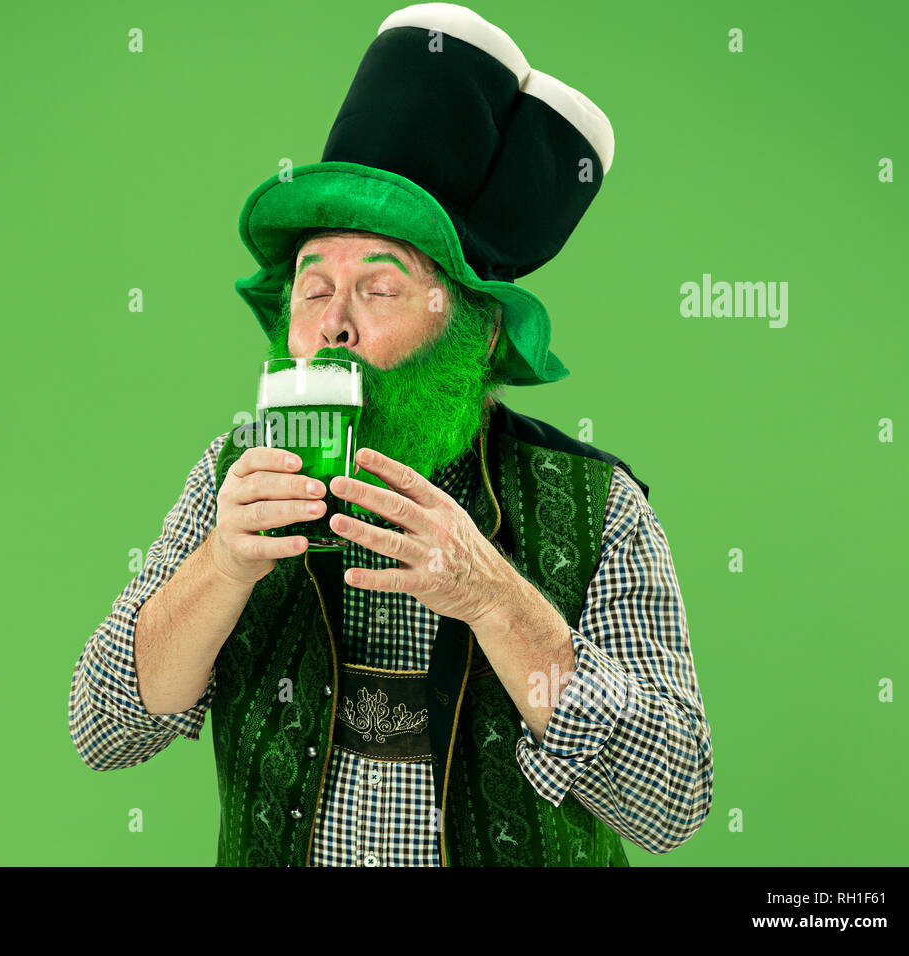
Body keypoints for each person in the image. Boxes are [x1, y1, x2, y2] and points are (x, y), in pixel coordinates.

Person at [70, 3, 713, 866]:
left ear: (474, 333)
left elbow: (671, 801)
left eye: (378, 289)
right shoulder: (233, 484)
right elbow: (104, 729)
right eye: (311, 287)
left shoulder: (599, 508)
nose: (333, 324)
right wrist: (223, 565)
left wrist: (494, 596)